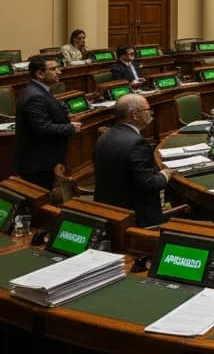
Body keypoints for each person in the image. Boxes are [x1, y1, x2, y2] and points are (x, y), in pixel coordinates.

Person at [93, 93, 169, 228]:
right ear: (134, 115)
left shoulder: (104, 136)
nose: (150, 113)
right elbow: (150, 184)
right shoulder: (137, 144)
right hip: (136, 217)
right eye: (147, 110)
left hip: (108, 210)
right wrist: (166, 174)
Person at [14, 55, 82, 189]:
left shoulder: (40, 90)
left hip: (43, 159)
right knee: (41, 196)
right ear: (40, 74)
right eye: (54, 69)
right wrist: (70, 128)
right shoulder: (35, 96)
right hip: (38, 163)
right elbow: (42, 128)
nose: (59, 72)